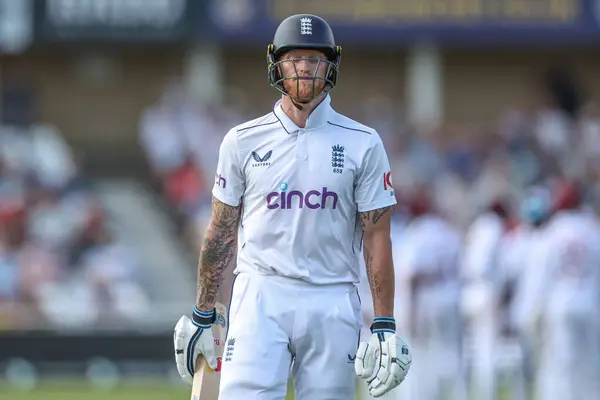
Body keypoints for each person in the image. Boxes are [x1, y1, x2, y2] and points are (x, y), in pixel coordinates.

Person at [173, 13, 411, 400]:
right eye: (293, 58)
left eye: (314, 59)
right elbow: (220, 230)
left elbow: (376, 234)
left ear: (330, 65)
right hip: (260, 293)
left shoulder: (363, 143)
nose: (303, 67)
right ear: (276, 64)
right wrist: (203, 312)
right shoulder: (242, 140)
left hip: (333, 296)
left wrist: (383, 323)